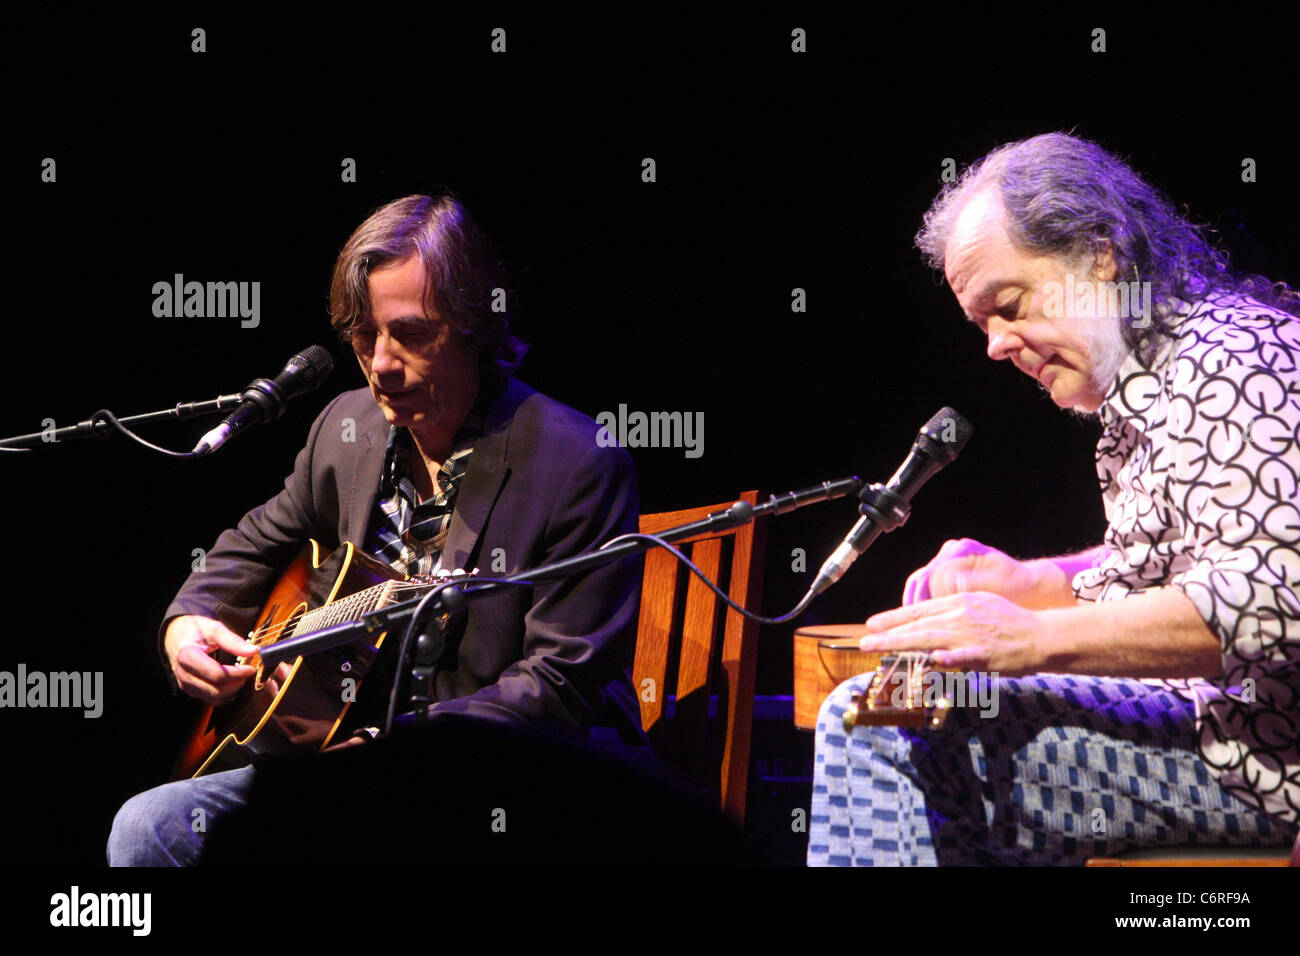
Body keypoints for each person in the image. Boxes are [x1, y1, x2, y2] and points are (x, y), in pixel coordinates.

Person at [109, 194, 647, 865]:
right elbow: (252, 543)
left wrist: (389, 753)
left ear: (476, 323)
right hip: (348, 768)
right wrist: (184, 626)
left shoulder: (576, 460)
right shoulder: (346, 428)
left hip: (511, 779)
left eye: (412, 334)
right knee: (150, 826)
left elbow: (558, 684)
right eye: (363, 337)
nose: (382, 365)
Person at [808, 133, 1300, 865]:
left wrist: (1032, 639)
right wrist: (1031, 584)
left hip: (1255, 757)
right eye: (982, 326)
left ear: (1099, 256)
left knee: (876, 723)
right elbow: (1186, 562)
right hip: (1214, 731)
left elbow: (1275, 597)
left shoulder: (1230, 361)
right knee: (913, 705)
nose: (995, 346)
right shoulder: (1152, 383)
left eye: (1008, 307)